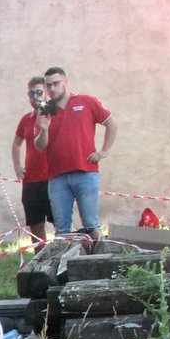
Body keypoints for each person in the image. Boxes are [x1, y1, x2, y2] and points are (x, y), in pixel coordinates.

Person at [34, 67, 118, 240]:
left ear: (66, 81)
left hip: (85, 171)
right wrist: (44, 130)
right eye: (48, 85)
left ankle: (97, 261)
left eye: (56, 83)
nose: (52, 89)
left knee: (91, 225)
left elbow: (111, 123)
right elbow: (39, 146)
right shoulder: (44, 108)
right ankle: (65, 265)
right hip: (57, 176)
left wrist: (103, 151)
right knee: (62, 229)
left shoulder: (86, 101)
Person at [11, 76, 54, 242]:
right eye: (30, 94)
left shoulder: (54, 114)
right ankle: (39, 262)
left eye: (38, 92)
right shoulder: (26, 119)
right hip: (31, 179)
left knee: (60, 222)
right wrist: (17, 166)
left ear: (46, 93)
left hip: (52, 177)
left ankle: (60, 261)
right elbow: (16, 144)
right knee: (35, 225)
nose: (34, 97)